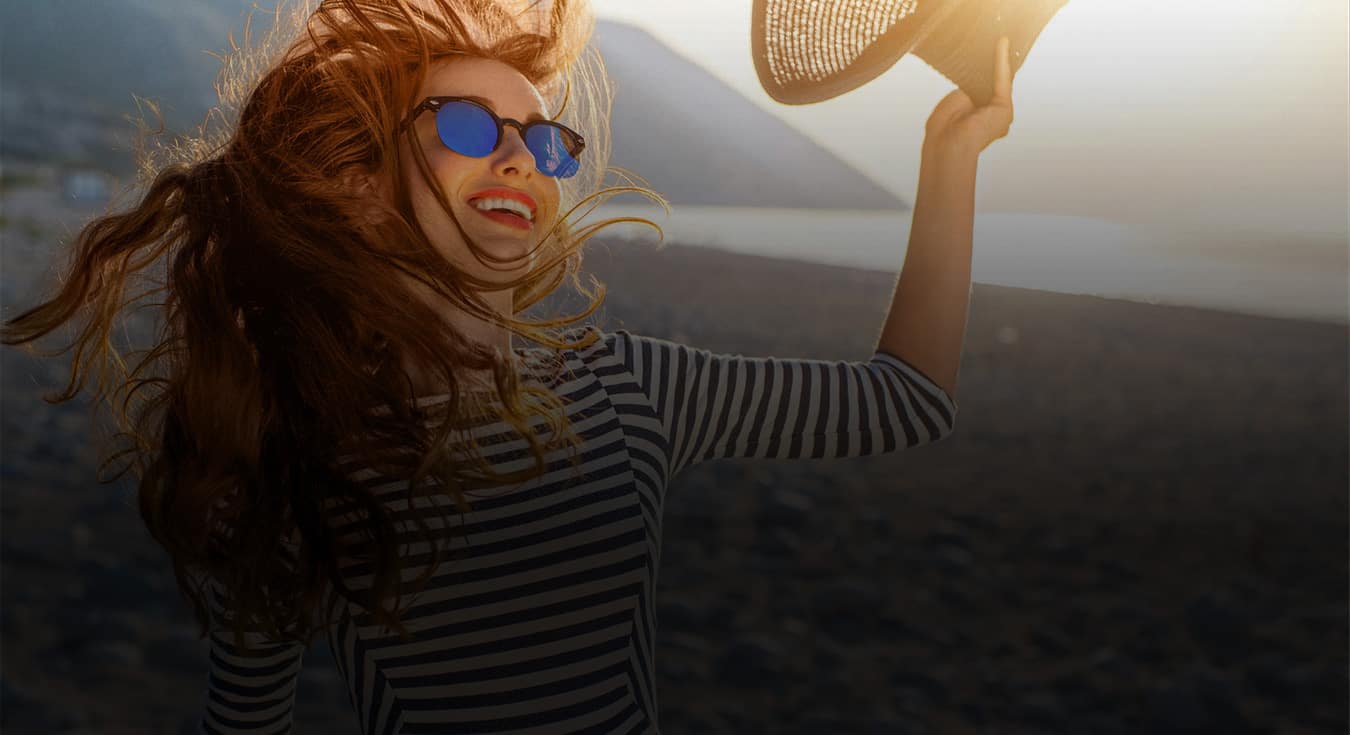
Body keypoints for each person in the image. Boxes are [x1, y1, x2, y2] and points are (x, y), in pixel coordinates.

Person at [0, 0, 1013, 732]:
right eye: (471, 128)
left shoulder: (633, 389)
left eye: (543, 138)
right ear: (359, 188)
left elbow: (904, 400)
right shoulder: (291, 448)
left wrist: (949, 155)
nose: (523, 157)